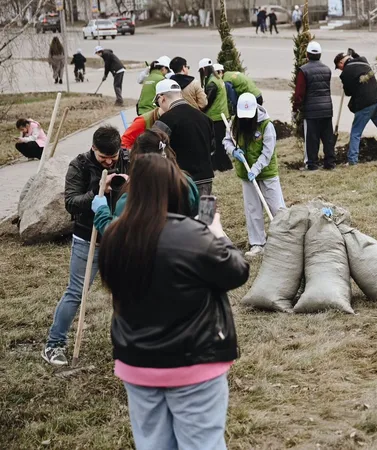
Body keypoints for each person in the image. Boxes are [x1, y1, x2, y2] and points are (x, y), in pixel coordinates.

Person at [97, 154, 248, 450]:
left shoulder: (114, 236)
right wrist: (218, 235)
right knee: (203, 443)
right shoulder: (194, 235)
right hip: (193, 361)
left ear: (134, 189)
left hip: (137, 362)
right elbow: (237, 272)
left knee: (151, 443)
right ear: (174, 187)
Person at [41, 126, 130, 366]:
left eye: (114, 157)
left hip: (120, 238)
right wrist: (98, 192)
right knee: (76, 292)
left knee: (127, 293)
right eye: (104, 158)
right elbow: (71, 203)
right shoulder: (79, 165)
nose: (110, 163)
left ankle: (128, 343)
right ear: (93, 149)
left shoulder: (127, 159)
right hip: (87, 238)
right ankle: (54, 344)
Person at [95, 128, 200, 235]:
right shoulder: (185, 181)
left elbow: (117, 234)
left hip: (146, 249)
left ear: (138, 159)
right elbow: (196, 217)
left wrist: (101, 210)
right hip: (182, 245)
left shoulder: (134, 194)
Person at [223, 93, 287, 258]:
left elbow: (267, 153)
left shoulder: (266, 125)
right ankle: (258, 243)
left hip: (266, 173)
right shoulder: (234, 122)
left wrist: (256, 169)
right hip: (246, 174)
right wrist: (233, 151)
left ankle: (286, 239)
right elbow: (227, 141)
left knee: (276, 207)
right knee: (253, 209)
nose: (244, 120)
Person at [334, 50, 377, 165]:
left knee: (356, 133)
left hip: (365, 104)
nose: (340, 69)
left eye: (339, 66)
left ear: (341, 62)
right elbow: (358, 57)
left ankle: (352, 160)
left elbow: (348, 92)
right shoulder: (363, 61)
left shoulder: (345, 73)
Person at [155, 79, 216, 196]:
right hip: (205, 178)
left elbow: (154, 149)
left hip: (180, 180)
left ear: (162, 98)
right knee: (205, 213)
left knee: (183, 213)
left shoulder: (165, 121)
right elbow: (212, 149)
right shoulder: (205, 118)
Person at [293, 41, 335, 171]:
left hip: (311, 111)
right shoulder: (327, 69)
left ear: (307, 54)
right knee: (327, 137)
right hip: (327, 109)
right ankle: (330, 163)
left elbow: (300, 92)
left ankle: (312, 164)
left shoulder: (303, 71)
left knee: (312, 138)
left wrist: (296, 107)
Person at [197, 58, 231, 172]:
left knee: (218, 143)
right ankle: (221, 165)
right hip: (222, 115)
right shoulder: (218, 79)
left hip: (216, 117)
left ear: (203, 69)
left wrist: (200, 111)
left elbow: (207, 102)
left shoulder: (212, 83)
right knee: (220, 142)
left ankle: (223, 165)